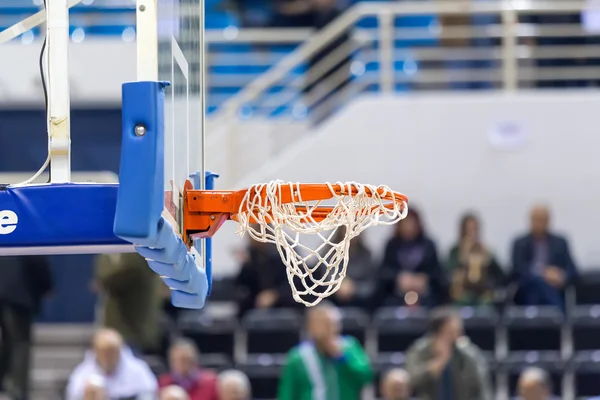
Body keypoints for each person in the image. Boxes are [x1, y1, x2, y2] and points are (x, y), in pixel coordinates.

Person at [278, 301, 373, 400]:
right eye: (321, 324)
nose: (327, 329)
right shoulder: (298, 357)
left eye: (331, 324)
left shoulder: (349, 347)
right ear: (310, 326)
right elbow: (287, 395)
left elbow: (365, 377)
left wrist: (342, 357)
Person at [405, 307, 492, 400]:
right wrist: (438, 363)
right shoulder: (420, 350)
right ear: (437, 332)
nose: (458, 335)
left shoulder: (468, 353)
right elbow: (410, 380)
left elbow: (482, 387)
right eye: (451, 331)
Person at [0, 255, 53, 400]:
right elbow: (37, 258)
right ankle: (18, 389)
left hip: (7, 292)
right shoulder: (27, 232)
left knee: (7, 340)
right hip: (19, 295)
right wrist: (48, 285)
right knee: (20, 343)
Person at [377, 208, 448, 308]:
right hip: (396, 297)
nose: (408, 228)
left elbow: (438, 273)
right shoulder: (392, 245)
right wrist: (398, 278)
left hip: (426, 297)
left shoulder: (429, 245)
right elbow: (384, 272)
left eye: (411, 223)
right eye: (405, 224)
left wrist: (424, 279)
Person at [510, 204, 578, 308]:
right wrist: (543, 273)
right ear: (530, 221)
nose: (539, 223)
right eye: (537, 219)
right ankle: (557, 313)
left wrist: (561, 276)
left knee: (544, 287)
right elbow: (517, 269)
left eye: (543, 219)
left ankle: (545, 315)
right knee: (537, 283)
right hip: (528, 290)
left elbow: (573, 270)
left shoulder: (560, 242)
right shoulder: (520, 243)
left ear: (549, 221)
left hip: (555, 288)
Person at [94, 253, 163, 354]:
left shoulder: (139, 256)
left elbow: (128, 274)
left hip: (135, 329)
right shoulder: (106, 255)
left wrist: (103, 282)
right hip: (115, 328)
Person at [65, 328, 158, 400]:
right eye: (104, 352)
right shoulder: (82, 373)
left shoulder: (139, 370)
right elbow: (73, 395)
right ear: (96, 351)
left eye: (112, 351)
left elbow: (150, 393)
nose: (108, 356)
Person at [446, 213, 505, 306]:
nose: (472, 233)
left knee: (486, 306)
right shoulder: (455, 251)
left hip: (483, 293)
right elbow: (448, 272)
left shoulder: (485, 250)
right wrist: (463, 257)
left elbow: (501, 275)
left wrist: (488, 259)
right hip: (462, 293)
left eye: (475, 229)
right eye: (469, 230)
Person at [234, 234, 294, 317]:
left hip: (284, 304)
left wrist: (276, 294)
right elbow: (242, 284)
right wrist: (246, 265)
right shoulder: (252, 254)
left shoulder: (283, 250)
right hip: (255, 306)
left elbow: (295, 283)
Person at [328, 228, 377, 308]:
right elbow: (324, 279)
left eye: (354, 229)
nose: (351, 233)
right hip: (332, 300)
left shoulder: (366, 255)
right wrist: (338, 285)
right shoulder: (329, 252)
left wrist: (354, 288)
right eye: (347, 229)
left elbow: (371, 285)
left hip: (359, 302)